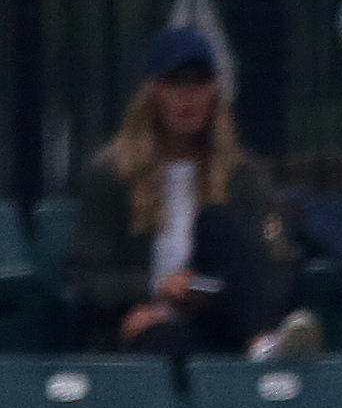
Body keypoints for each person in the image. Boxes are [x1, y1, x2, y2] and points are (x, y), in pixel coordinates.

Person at [71, 27, 319, 361]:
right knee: (166, 343)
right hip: (149, 321)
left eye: (200, 82)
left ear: (214, 92)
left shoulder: (244, 173)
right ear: (152, 93)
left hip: (225, 319)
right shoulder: (110, 173)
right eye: (175, 82)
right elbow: (89, 277)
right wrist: (154, 287)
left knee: (217, 220)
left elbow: (274, 267)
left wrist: (214, 296)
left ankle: (262, 345)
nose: (188, 96)